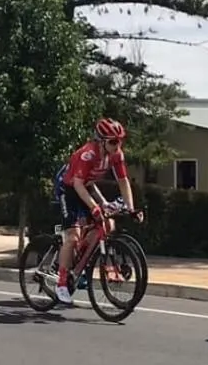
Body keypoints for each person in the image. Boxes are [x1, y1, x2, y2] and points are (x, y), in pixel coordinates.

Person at [50, 117, 140, 306]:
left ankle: (81, 263)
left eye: (120, 141)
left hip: (87, 187)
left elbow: (123, 182)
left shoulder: (116, 154)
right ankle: (61, 283)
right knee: (73, 236)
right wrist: (94, 207)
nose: (118, 145)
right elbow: (77, 184)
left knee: (108, 223)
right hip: (69, 188)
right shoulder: (88, 154)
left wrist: (131, 208)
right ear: (101, 140)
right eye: (113, 141)